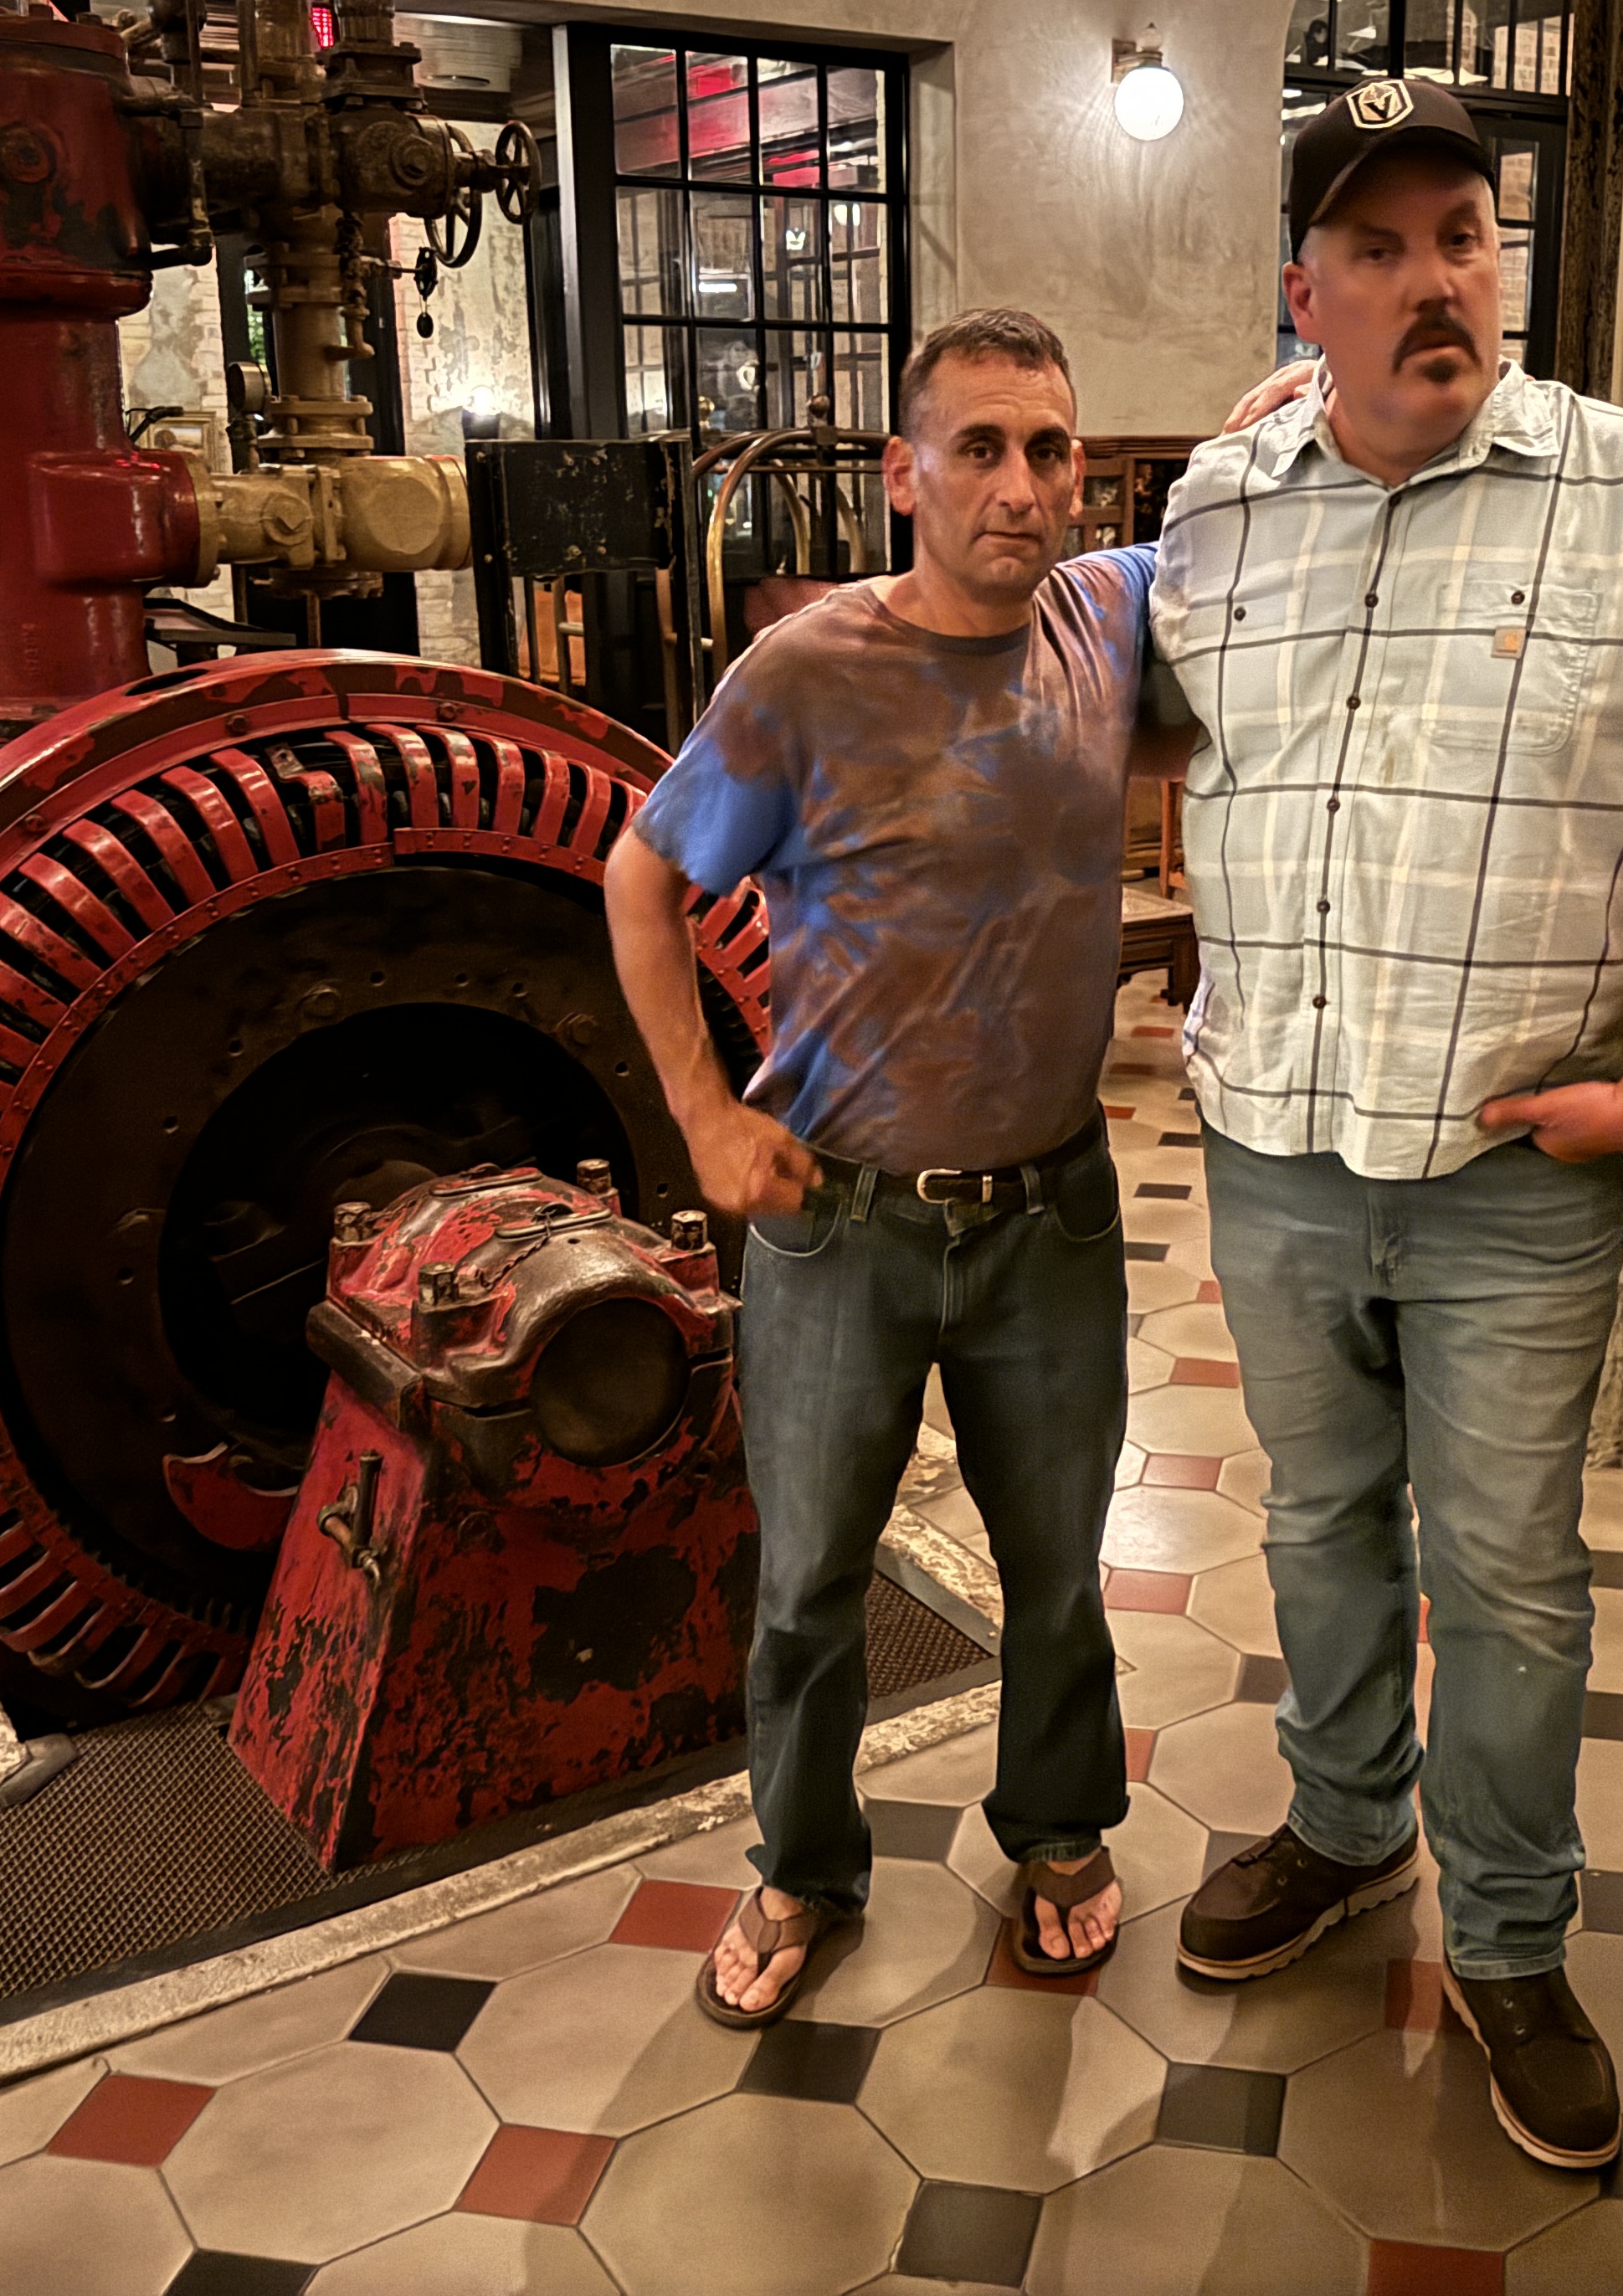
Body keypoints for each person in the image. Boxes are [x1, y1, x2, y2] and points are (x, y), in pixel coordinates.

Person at [1143, 77, 1623, 2170]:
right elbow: (1145, 733)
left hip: (1517, 1168)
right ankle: (1346, 1829)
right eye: (1380, 248)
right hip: (1275, 1141)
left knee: (1513, 1580)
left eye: (1464, 236)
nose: (1435, 281)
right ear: (1306, 293)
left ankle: (1512, 1940)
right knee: (1318, 1525)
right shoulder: (1220, 502)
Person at [605, 308, 1143, 2026]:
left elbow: (1256, 530)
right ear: (905, 474)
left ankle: (1056, 1825)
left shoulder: (1106, 617)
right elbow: (639, 879)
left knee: (1056, 1568)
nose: (1018, 486)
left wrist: (1298, 407)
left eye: (1046, 449)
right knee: (811, 1578)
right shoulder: (806, 673)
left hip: (1051, 1208)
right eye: (977, 448)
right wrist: (706, 1114)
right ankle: (799, 1863)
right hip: (841, 1217)